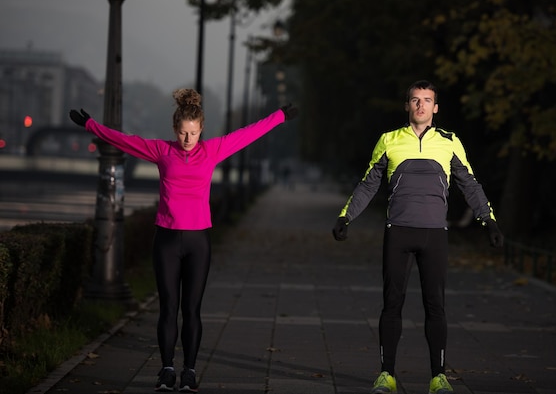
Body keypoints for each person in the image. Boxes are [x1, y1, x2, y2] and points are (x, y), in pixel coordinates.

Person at [70, 89, 298, 393]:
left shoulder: (213, 150)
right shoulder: (161, 151)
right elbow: (124, 140)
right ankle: (166, 370)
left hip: (198, 243)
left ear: (201, 129)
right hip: (165, 239)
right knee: (168, 308)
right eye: (182, 133)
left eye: (192, 133)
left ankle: (189, 371)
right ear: (175, 130)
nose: (187, 139)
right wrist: (90, 126)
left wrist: (279, 116)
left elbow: (248, 134)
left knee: (191, 310)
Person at [332, 80, 504, 394]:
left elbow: (470, 184)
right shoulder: (389, 140)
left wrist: (488, 221)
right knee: (391, 305)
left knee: (435, 306)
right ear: (408, 105)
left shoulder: (450, 142)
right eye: (415, 100)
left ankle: (438, 377)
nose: (420, 105)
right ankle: (387, 375)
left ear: (435, 108)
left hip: (435, 236)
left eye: (427, 100)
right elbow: (368, 183)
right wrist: (346, 216)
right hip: (397, 233)